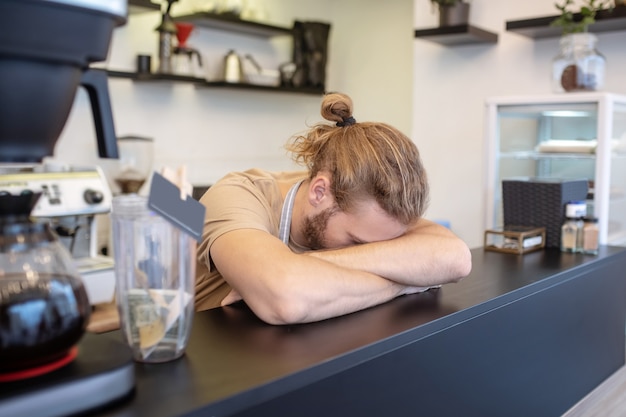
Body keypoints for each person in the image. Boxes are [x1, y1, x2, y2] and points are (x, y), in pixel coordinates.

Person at [195, 92, 471, 325]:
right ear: (320, 192)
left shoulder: (374, 212)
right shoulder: (237, 194)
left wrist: (301, 265)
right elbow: (287, 298)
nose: (372, 250)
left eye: (385, 246)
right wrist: (406, 280)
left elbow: (456, 258)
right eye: (356, 242)